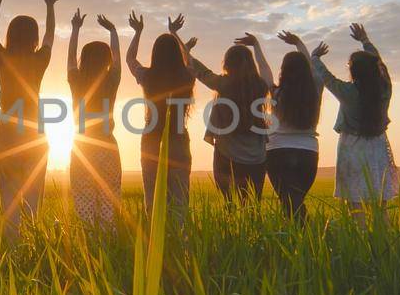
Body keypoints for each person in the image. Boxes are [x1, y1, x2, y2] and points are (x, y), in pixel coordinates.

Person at [0, 0, 59, 236]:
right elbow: (51, 34)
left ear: (11, 35)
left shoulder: (2, 58)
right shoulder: (39, 59)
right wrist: (50, 6)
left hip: (6, 134)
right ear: (34, 38)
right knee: (32, 201)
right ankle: (31, 250)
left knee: (9, 202)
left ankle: (10, 252)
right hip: (35, 135)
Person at [311, 23, 399, 214]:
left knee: (354, 203)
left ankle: (358, 242)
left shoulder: (347, 92)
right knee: (380, 203)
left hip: (351, 145)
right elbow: (379, 63)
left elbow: (327, 78)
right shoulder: (385, 88)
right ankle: (383, 241)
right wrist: (365, 40)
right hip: (378, 145)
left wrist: (315, 57)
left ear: (354, 70)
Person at [239, 31, 324, 221]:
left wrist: (256, 47)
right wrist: (299, 43)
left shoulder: (276, 93)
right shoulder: (315, 89)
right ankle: (304, 240)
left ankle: (304, 237)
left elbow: (264, 70)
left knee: (289, 203)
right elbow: (312, 68)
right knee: (294, 201)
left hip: (277, 151)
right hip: (308, 152)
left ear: (283, 71)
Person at [125, 13, 197, 228]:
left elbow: (130, 59)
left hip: (151, 142)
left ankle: (154, 247)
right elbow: (190, 61)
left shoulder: (147, 76)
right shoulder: (187, 76)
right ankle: (180, 246)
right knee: (180, 201)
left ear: (155, 54)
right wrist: (175, 33)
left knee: (152, 199)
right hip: (178, 140)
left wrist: (137, 32)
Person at [188, 41, 270, 203]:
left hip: (227, 156)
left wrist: (185, 50)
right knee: (253, 206)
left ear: (227, 64)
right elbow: (266, 71)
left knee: (230, 205)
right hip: (257, 158)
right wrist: (256, 46)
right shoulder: (260, 86)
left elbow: (200, 71)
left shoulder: (223, 84)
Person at [66, 10, 122, 230]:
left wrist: (75, 29)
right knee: (109, 198)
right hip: (107, 144)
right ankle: (110, 245)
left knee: (83, 199)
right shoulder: (111, 79)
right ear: (106, 60)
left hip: (82, 145)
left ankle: (88, 244)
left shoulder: (77, 80)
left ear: (84, 59)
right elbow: (117, 60)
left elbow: (70, 58)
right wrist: (113, 31)